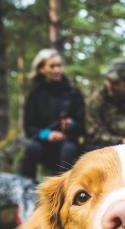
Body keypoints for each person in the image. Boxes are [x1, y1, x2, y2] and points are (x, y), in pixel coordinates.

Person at [20, 48, 85, 180]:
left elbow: (83, 125)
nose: (57, 70)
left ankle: (65, 192)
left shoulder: (73, 92)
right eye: (52, 66)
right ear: (41, 69)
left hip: (68, 144)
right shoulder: (35, 95)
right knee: (32, 148)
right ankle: (25, 189)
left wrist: (71, 124)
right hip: (43, 145)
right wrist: (47, 135)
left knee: (69, 149)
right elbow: (29, 128)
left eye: (59, 65)